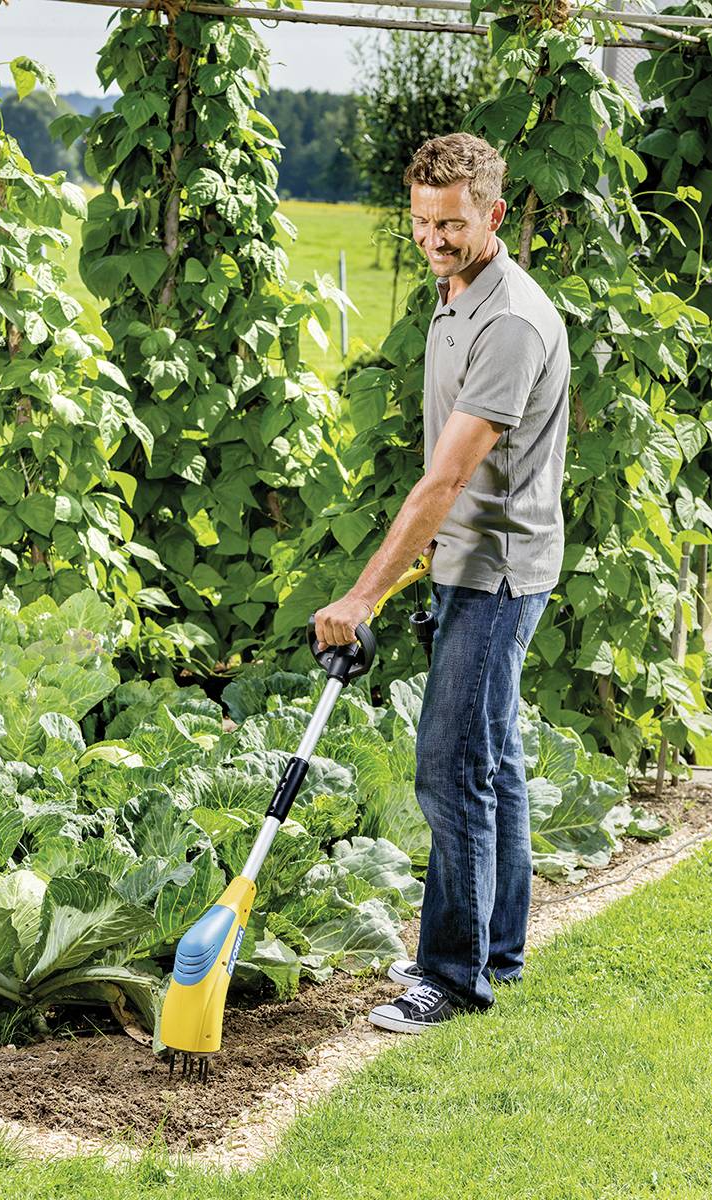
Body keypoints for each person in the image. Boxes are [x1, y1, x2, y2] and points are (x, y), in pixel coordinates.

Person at [313, 132, 570, 1033]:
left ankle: (451, 977)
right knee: (491, 761)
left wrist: (360, 596)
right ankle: (494, 948)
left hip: (496, 570)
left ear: (494, 214)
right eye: (421, 221)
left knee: (450, 766)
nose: (432, 238)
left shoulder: (507, 322)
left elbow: (446, 480)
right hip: (476, 558)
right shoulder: (457, 290)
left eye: (451, 223)